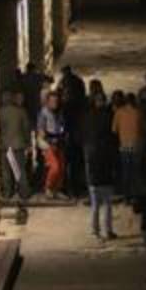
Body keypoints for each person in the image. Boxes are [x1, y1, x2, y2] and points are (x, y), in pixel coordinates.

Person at [83, 92, 118, 240]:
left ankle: (95, 231)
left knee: (95, 205)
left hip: (94, 177)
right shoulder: (109, 118)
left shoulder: (88, 119)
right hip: (106, 176)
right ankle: (108, 231)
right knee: (108, 205)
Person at [0, 90, 33, 213]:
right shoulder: (21, 111)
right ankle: (24, 192)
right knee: (19, 170)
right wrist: (28, 143)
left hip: (5, 146)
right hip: (18, 145)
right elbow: (26, 128)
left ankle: (7, 193)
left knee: (6, 170)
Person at [59, 66, 88, 196]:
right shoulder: (78, 82)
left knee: (68, 162)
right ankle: (78, 187)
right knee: (77, 163)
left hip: (70, 138)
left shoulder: (65, 108)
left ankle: (68, 187)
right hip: (77, 137)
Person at [36, 91, 67, 199]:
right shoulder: (43, 113)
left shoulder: (59, 112)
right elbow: (41, 131)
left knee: (62, 167)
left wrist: (61, 135)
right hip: (47, 143)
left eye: (56, 101)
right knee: (55, 167)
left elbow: (62, 127)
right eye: (52, 101)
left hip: (59, 142)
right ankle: (48, 188)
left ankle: (57, 189)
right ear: (47, 102)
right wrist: (48, 140)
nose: (55, 103)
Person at [113, 93, 144, 197]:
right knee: (136, 171)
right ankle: (136, 194)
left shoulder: (119, 112)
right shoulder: (138, 113)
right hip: (136, 145)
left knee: (126, 171)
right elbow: (142, 129)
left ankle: (127, 196)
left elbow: (114, 130)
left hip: (124, 145)